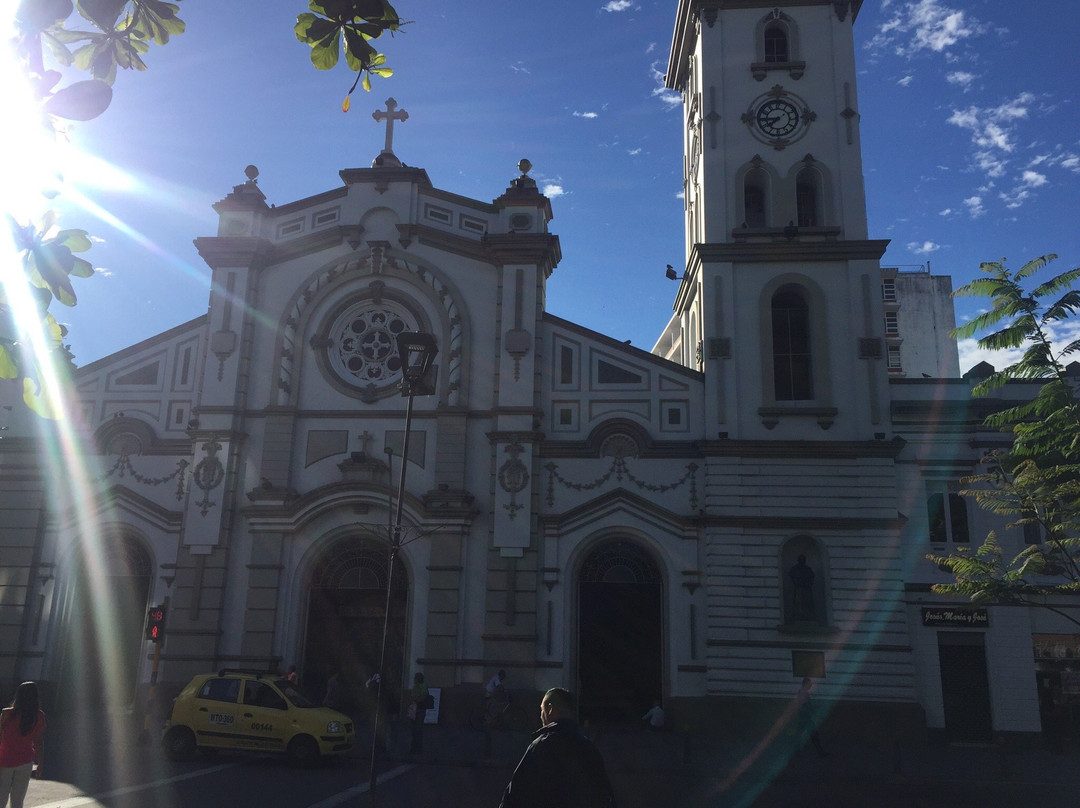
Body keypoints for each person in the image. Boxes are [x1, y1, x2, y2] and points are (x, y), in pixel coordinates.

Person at [498, 687, 616, 808]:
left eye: (542, 709)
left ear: (550, 709)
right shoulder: (589, 748)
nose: (540, 716)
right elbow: (605, 796)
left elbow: (515, 794)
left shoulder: (541, 746)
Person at [0, 682, 46, 808]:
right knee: (18, 800)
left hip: (5, 760)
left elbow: (1, 738)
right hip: (25, 761)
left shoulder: (6, 714)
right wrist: (41, 763)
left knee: (1, 797)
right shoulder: (39, 716)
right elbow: (39, 742)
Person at [795, 677, 828, 757]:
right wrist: (811, 709)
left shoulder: (802, 691)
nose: (811, 685)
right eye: (810, 684)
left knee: (801, 733)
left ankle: (795, 751)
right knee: (813, 734)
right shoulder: (803, 692)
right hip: (805, 716)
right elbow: (804, 703)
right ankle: (820, 752)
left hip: (803, 715)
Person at [409, 672, 429, 755]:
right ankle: (414, 748)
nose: (414, 680)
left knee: (418, 729)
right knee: (414, 729)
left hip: (420, 709)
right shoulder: (416, 686)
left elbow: (422, 697)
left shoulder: (423, 686)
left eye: (415, 678)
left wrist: (416, 699)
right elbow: (413, 697)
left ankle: (417, 748)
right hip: (414, 709)